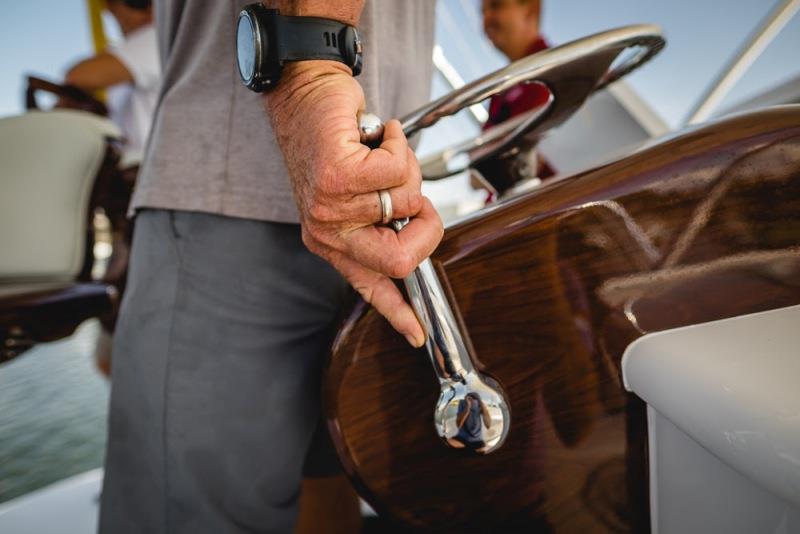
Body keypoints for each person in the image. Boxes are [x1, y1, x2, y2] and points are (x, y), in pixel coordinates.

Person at [98, 1, 441, 534]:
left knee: (233, 505)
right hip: (368, 200)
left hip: (245, 195)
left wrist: (309, 69)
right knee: (325, 478)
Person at [63, 0, 160, 377]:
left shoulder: (154, 40)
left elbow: (79, 73)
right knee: (118, 314)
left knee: (132, 309)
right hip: (125, 200)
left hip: (146, 189)